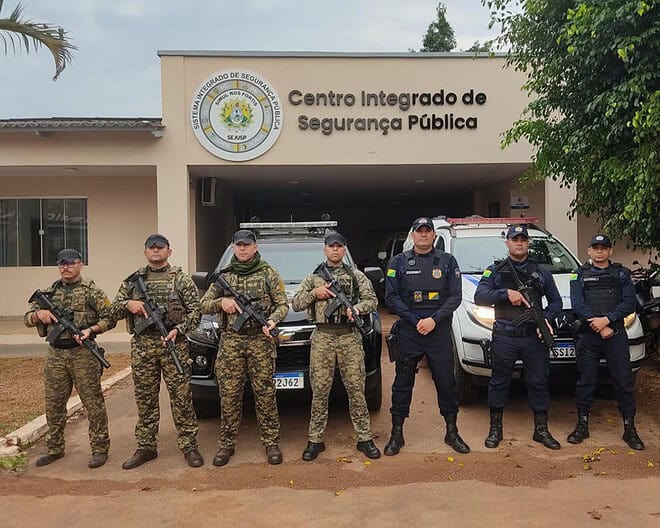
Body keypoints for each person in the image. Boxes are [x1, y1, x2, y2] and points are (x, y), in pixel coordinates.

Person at [111, 234, 203, 469]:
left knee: (181, 398)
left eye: (160, 247)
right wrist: (128, 304)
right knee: (145, 398)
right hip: (143, 347)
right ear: (145, 252)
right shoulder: (133, 281)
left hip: (173, 344)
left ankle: (189, 446)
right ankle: (146, 447)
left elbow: (196, 312)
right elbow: (112, 310)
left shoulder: (181, 280)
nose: (155, 251)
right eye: (151, 248)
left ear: (168, 251)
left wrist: (179, 329)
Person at [200, 229, 289, 466]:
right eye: (238, 245)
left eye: (246, 244)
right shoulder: (224, 276)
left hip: (260, 341)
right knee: (229, 394)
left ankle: (271, 443)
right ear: (233, 247)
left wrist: (273, 320)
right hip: (231, 341)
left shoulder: (269, 273)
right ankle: (226, 444)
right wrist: (222, 302)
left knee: (265, 394)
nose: (242, 248)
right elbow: (203, 305)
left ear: (255, 247)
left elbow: (282, 304)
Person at [384, 217, 470, 455]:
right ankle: (396, 434)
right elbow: (391, 297)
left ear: (433, 235)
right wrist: (415, 321)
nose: (423, 235)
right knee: (402, 385)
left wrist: (434, 320)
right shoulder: (398, 262)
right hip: (409, 332)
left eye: (427, 231)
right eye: (419, 231)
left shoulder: (447, 261)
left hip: (438, 332)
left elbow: (455, 296)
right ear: (412, 235)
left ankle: (452, 432)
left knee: (446, 383)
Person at [292, 231, 381, 461]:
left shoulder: (356, 276)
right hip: (323, 337)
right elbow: (297, 303)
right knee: (320, 391)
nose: (334, 249)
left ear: (344, 249)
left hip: (349, 337)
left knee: (356, 390)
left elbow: (372, 301)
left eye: (339, 246)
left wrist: (357, 309)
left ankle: (364, 438)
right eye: (331, 246)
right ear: (325, 249)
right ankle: (315, 440)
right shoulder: (314, 277)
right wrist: (315, 293)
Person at [25, 248, 116, 468]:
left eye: (71, 263)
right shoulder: (49, 293)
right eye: (62, 264)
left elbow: (111, 318)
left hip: (83, 354)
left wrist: (91, 330)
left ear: (80, 265)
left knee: (93, 403)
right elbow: (27, 318)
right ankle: (55, 448)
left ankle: (100, 449)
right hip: (56, 354)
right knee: (54, 404)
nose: (66, 267)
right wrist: (38, 315)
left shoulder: (92, 292)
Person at [474, 225, 562, 450]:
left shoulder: (541, 272)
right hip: (505, 335)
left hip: (533, 336)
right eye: (515, 239)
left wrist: (546, 319)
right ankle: (495, 430)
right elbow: (480, 296)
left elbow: (556, 302)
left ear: (528, 243)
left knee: (539, 382)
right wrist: (505, 293)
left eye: (523, 239)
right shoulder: (495, 270)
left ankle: (541, 430)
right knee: (499, 382)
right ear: (508, 243)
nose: (519, 243)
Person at [568, 234, 644, 450]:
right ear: (589, 251)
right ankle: (582, 425)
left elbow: (629, 303)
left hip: (615, 334)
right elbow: (578, 304)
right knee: (586, 381)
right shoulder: (578, 275)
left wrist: (607, 320)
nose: (599, 251)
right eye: (596, 247)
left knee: (623, 382)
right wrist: (599, 325)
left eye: (604, 248)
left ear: (610, 251)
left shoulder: (622, 274)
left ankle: (629, 429)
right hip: (589, 335)